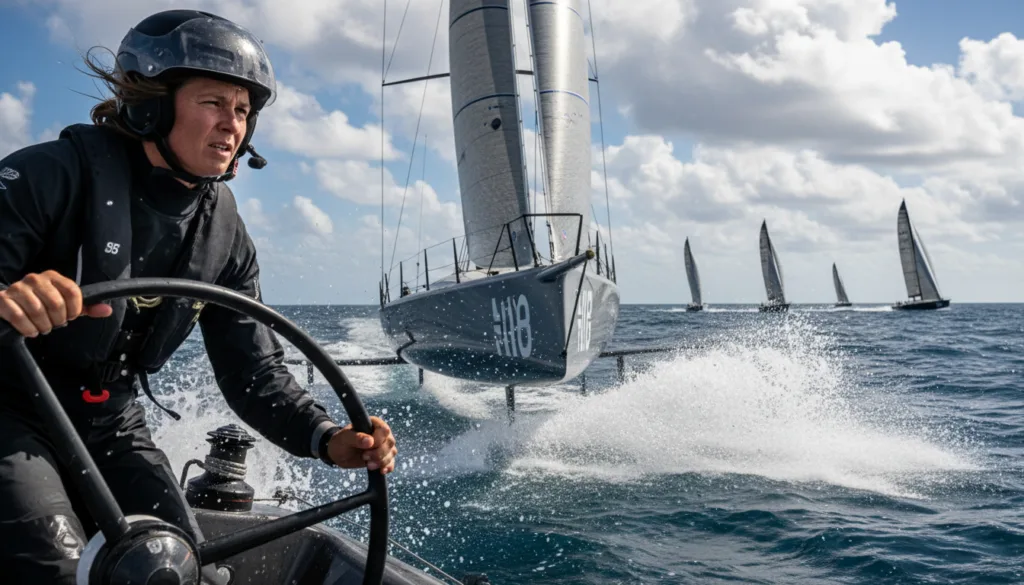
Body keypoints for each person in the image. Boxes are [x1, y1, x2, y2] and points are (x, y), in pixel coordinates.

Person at [0, 9, 397, 584]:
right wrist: (11, 296)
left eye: (242, 111)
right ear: (151, 104)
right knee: (57, 570)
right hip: (11, 408)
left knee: (179, 567)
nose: (232, 125)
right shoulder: (48, 173)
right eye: (214, 103)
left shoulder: (225, 235)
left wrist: (330, 438)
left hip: (110, 418)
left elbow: (254, 373)